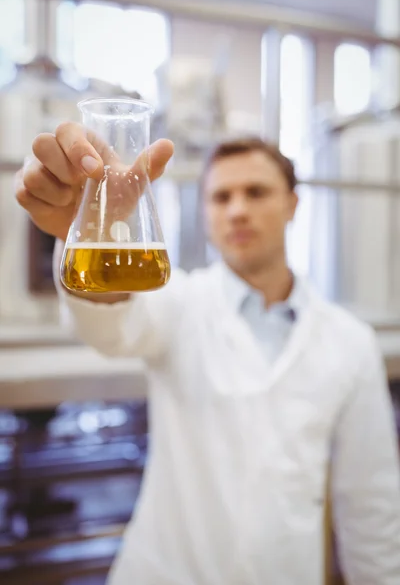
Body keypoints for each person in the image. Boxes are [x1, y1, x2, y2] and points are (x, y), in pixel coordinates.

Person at [15, 122, 400, 585]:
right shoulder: (178, 302)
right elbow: (111, 325)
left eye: (256, 192)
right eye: (221, 197)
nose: (237, 210)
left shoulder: (350, 342)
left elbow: (371, 505)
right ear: (206, 213)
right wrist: (86, 236)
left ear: (293, 204)